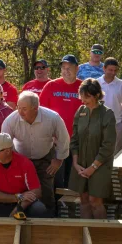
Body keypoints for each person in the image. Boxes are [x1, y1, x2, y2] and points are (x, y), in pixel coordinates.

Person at [2, 91, 69, 215]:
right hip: (20, 159)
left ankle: (48, 222)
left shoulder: (52, 118)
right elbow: (4, 144)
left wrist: (58, 160)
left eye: (24, 109)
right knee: (20, 192)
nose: (20, 112)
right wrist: (12, 164)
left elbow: (64, 139)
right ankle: (19, 218)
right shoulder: (11, 120)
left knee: (46, 192)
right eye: (18, 107)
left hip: (45, 158)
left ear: (35, 108)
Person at [70, 79, 116, 219]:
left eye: (87, 96)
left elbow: (108, 145)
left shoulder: (107, 114)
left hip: (100, 164)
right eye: (82, 96)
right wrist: (76, 163)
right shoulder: (81, 111)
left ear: (96, 95)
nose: (83, 100)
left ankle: (100, 235)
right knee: (83, 199)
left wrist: (93, 167)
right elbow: (75, 138)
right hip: (81, 163)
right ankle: (85, 233)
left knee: (95, 201)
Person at [39, 54, 83, 189]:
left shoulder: (83, 87)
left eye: (69, 68)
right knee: (56, 176)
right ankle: (56, 207)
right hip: (55, 141)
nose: (66, 71)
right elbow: (41, 112)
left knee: (74, 176)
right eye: (63, 68)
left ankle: (71, 207)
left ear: (77, 69)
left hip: (77, 140)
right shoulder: (51, 86)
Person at [0, 133, 48, 218]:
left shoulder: (25, 163)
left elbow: (37, 191)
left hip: (24, 202)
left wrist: (19, 207)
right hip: (3, 201)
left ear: (8, 151)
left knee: (39, 209)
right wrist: (19, 197)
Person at [97, 58, 122, 153]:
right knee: (100, 150)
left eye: (115, 70)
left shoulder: (121, 84)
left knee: (117, 151)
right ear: (104, 68)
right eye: (110, 70)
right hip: (99, 122)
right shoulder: (96, 83)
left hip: (117, 122)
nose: (113, 72)